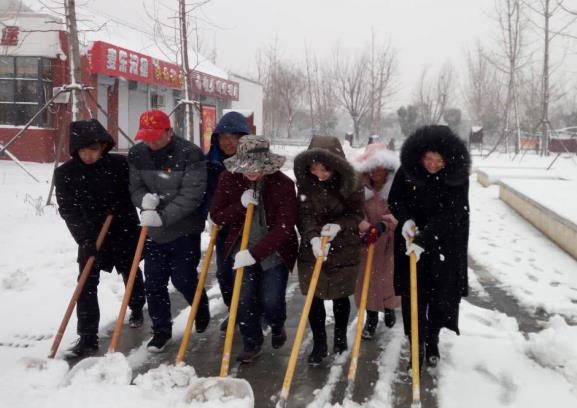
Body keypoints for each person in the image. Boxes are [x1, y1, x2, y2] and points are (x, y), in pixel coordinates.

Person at [55, 119, 146, 357]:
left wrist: (122, 202)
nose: (89, 156)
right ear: (75, 150)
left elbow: (136, 190)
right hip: (90, 233)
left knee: (131, 271)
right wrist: (84, 239)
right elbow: (69, 210)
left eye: (94, 150)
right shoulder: (65, 173)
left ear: (103, 147)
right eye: (83, 151)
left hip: (123, 228)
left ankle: (137, 306)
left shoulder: (119, 165)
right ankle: (87, 337)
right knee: (86, 282)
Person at [210, 135, 298, 363]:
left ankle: (277, 325)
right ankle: (252, 342)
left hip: (274, 251)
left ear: (266, 164)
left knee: (271, 300)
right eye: (245, 166)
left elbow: (285, 228)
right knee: (244, 298)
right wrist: (239, 205)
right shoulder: (228, 179)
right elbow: (217, 215)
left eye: (256, 166)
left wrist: (255, 254)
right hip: (241, 249)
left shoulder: (283, 185)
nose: (250, 171)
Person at [388, 125, 471, 368]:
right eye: (428, 159)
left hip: (443, 246)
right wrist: (406, 220)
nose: (432, 165)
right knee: (414, 297)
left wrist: (425, 239)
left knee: (438, 298)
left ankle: (432, 340)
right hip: (410, 242)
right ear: (420, 155)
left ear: (448, 160)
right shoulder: (407, 171)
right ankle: (416, 346)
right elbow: (395, 200)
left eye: (439, 161)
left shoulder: (457, 178)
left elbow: (453, 214)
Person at [127, 109, 209, 353]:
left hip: (185, 228)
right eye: (146, 137)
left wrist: (162, 217)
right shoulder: (137, 154)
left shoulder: (190, 154)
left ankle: (200, 304)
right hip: (153, 231)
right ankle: (161, 331)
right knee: (154, 282)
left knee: (183, 278)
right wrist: (144, 201)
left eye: (155, 137)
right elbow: (135, 187)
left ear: (169, 131)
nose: (150, 143)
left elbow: (192, 194)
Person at [293, 135, 364, 366]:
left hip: (344, 248)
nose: (319, 174)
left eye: (325, 169)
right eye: (314, 169)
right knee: (314, 297)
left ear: (337, 165)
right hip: (312, 249)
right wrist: (313, 237)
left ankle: (340, 339)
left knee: (340, 296)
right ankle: (319, 343)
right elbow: (304, 214)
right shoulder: (305, 184)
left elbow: (357, 215)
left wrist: (339, 226)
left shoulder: (352, 183)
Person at [205, 111, 251, 333]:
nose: (228, 142)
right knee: (224, 274)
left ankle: (251, 313)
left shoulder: (256, 161)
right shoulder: (212, 163)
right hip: (224, 226)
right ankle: (235, 310)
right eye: (224, 137)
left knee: (248, 274)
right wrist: (211, 213)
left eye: (234, 137)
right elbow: (207, 193)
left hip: (251, 227)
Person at [351, 143, 401, 340]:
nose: (375, 173)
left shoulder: (396, 187)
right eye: (371, 168)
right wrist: (365, 227)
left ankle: (389, 309)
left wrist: (384, 225)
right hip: (368, 242)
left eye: (379, 168)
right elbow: (355, 212)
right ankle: (371, 319)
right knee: (368, 282)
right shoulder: (360, 188)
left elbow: (400, 212)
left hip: (390, 243)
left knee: (389, 280)